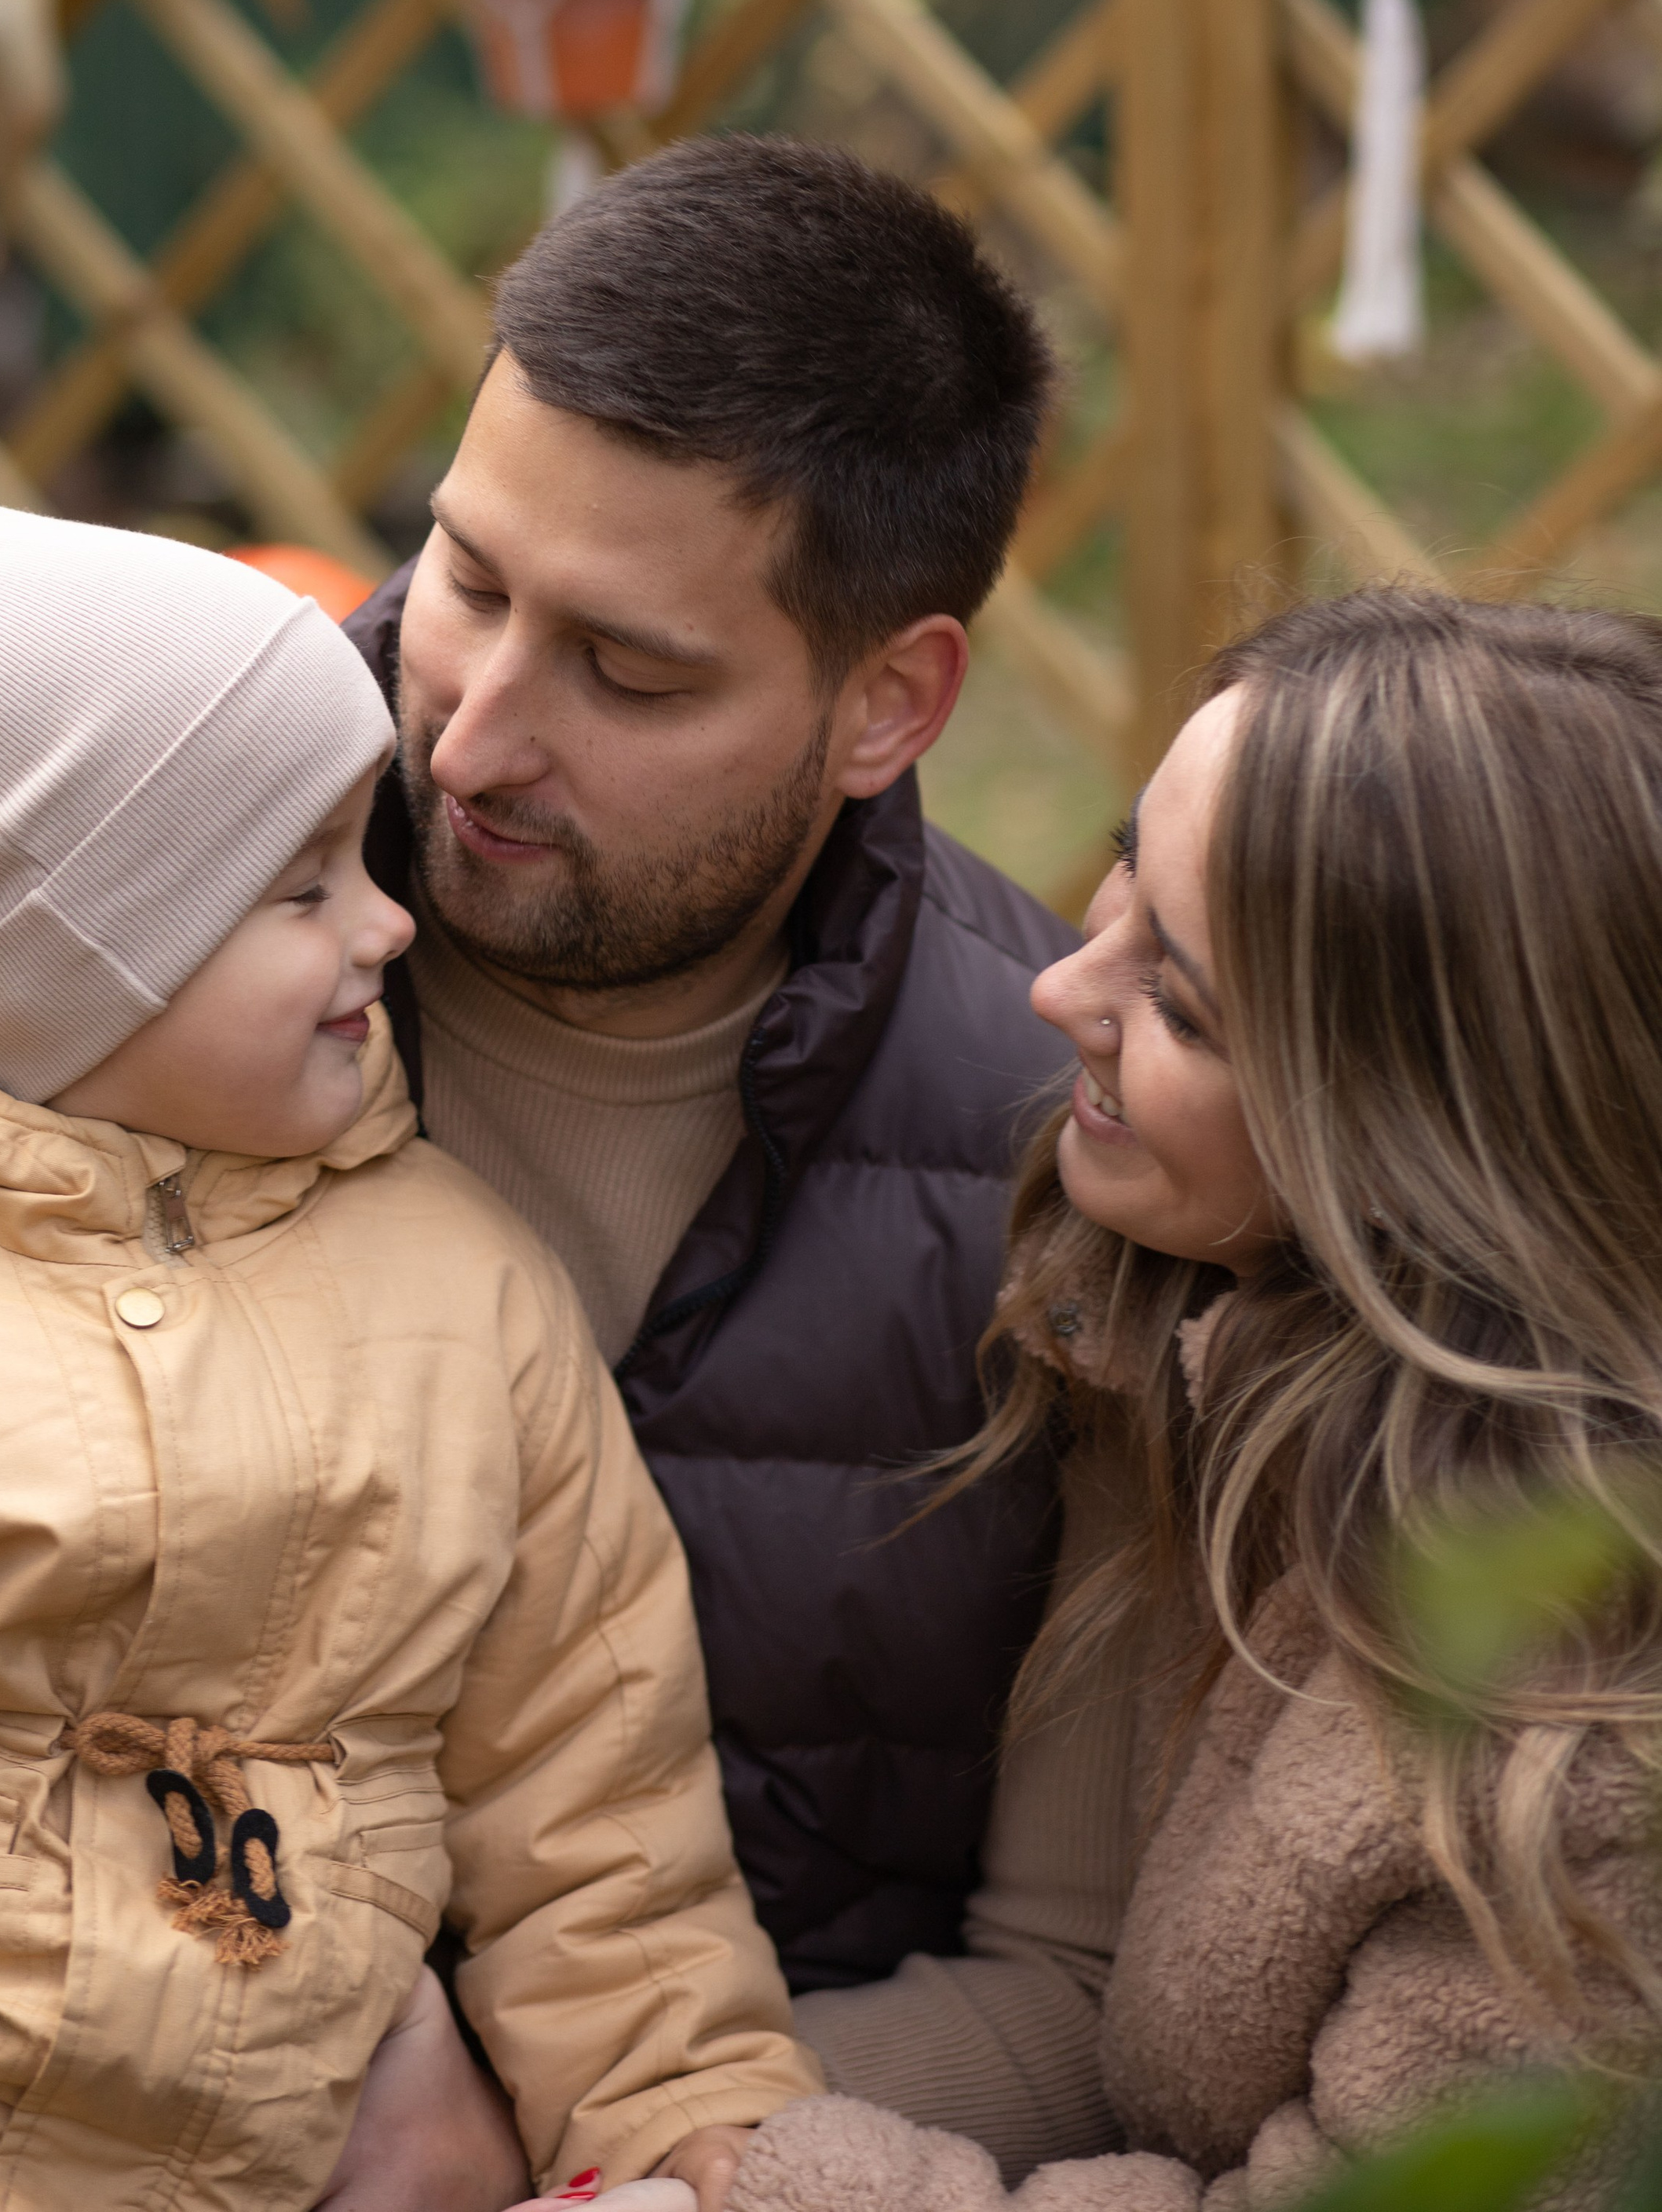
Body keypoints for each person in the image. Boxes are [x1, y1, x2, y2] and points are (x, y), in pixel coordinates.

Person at [0, 510, 817, 2210]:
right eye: (301, 889)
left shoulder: (468, 1299)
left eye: (366, 859)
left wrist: (673, 2128)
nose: (387, 926)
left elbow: (599, 1812)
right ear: (76, 971)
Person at [338, 141, 1106, 2193]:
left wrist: (525, 2141)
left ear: (889, 702)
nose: (474, 733)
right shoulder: (122, 925)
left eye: (629, 670)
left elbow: (1078, 1985)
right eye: (465, 580)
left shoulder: (1080, 1161)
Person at [710, 588, 1662, 2211]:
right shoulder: (1206, 1350)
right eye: (1122, 873)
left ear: (1430, 1145)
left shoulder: (1574, 1771)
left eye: (1181, 1005)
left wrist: (745, 2185)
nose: (1057, 993)